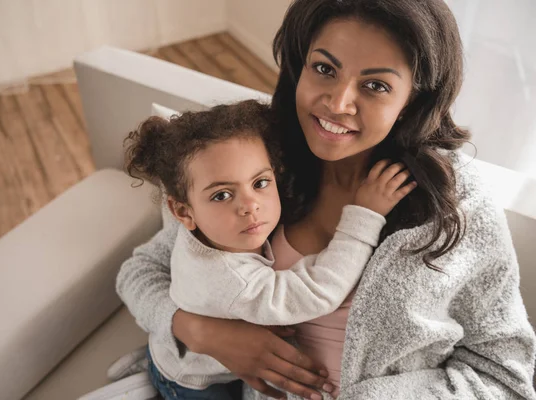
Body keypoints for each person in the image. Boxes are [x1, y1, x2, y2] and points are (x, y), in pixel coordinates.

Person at [117, 0, 536, 399]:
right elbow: (142, 272)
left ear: (413, 100)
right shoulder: (250, 163)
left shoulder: (455, 202)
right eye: (324, 69)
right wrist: (200, 332)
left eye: (375, 85)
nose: (338, 104)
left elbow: (505, 372)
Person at [123, 99, 416, 399]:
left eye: (260, 182)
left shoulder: (212, 227)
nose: (250, 206)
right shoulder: (232, 280)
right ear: (183, 212)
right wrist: (363, 216)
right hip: (196, 382)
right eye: (222, 195)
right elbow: (316, 291)